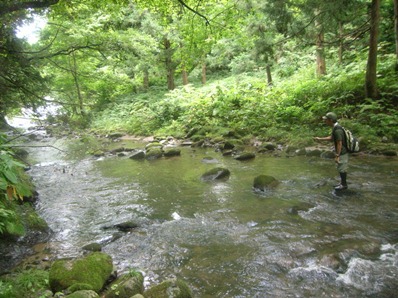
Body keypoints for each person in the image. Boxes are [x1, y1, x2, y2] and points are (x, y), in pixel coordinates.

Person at [313, 112, 348, 190]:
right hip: (341, 151)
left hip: (342, 151)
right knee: (340, 167)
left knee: (342, 168)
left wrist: (337, 155)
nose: (325, 121)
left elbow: (339, 143)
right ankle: (342, 183)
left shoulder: (337, 129)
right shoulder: (335, 127)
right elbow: (332, 138)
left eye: (326, 120)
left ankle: (344, 185)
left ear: (331, 120)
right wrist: (320, 139)